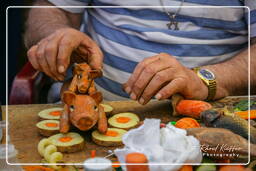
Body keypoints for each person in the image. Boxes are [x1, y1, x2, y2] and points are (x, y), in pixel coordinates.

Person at [25, 0, 256, 105]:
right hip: (94, 108)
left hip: (210, 116)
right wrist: (57, 34)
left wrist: (204, 80)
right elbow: (49, 8)